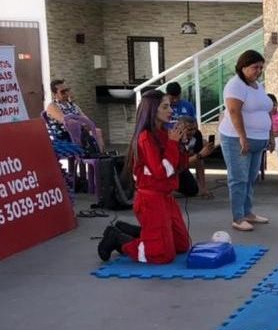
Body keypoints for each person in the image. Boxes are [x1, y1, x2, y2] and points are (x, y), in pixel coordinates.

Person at [96, 90, 190, 264]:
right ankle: (117, 238)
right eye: (165, 106)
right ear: (153, 110)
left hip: (165, 198)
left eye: (170, 106)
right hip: (151, 200)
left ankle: (139, 232)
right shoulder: (145, 138)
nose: (171, 111)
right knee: (162, 255)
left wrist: (182, 145)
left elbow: (180, 167)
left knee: (182, 245)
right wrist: (173, 144)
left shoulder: (164, 133)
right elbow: (161, 172)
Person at [218, 42, 278, 232]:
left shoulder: (258, 86)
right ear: (243, 67)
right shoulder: (235, 85)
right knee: (238, 178)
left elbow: (267, 111)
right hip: (237, 139)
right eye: (255, 67)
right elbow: (234, 111)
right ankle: (238, 217)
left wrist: (271, 135)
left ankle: (247, 211)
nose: (258, 71)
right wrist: (242, 137)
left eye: (261, 67)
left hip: (258, 139)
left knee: (251, 177)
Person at [45, 79, 104, 153]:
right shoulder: (52, 106)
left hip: (80, 132)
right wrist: (82, 123)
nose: (66, 93)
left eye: (67, 90)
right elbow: (66, 121)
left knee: (97, 131)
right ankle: (92, 156)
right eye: (63, 92)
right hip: (65, 135)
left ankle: (100, 158)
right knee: (79, 129)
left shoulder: (72, 105)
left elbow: (85, 119)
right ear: (54, 94)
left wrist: (85, 123)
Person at [176, 115, 215, 199]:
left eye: (195, 129)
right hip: (171, 167)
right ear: (180, 128)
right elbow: (174, 162)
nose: (193, 132)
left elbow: (198, 160)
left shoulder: (197, 134)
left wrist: (203, 189)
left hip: (183, 165)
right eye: (189, 129)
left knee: (192, 190)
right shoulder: (173, 137)